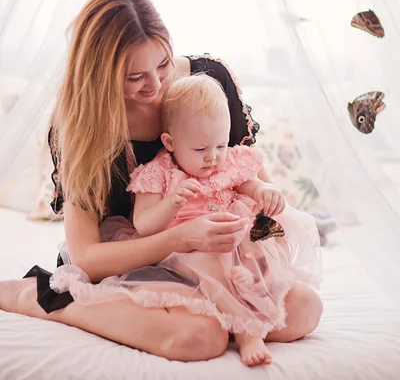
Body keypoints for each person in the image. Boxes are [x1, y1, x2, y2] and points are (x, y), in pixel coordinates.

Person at [0, 0, 323, 362]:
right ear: (101, 74)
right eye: (134, 77)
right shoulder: (82, 125)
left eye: (163, 64)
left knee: (303, 309)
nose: (155, 85)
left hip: (217, 257)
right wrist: (182, 238)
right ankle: (46, 297)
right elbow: (87, 255)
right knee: (201, 337)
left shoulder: (208, 83)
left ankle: (225, 308)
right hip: (133, 262)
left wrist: (247, 231)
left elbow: (250, 178)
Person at [50, 74, 321, 366]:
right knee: (209, 263)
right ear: (170, 141)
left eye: (220, 145)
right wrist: (172, 203)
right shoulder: (158, 173)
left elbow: (249, 184)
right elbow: (144, 225)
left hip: (237, 247)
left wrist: (266, 190)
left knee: (304, 304)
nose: (214, 158)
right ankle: (245, 329)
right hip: (188, 255)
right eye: (201, 149)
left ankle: (240, 299)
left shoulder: (228, 160)